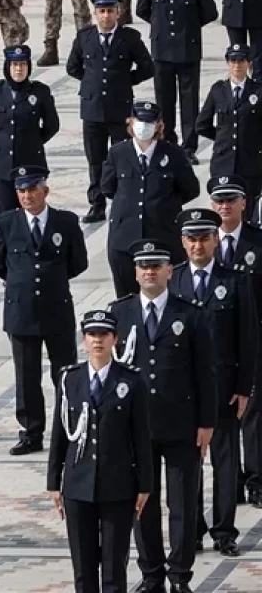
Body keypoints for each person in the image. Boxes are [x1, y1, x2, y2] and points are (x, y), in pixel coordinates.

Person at [108, 239, 215, 593]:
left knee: (183, 503)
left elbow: (205, 372)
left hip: (181, 423)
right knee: (144, 503)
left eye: (156, 266)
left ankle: (180, 575)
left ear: (171, 270)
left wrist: (207, 423)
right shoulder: (119, 314)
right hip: (137, 427)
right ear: (135, 272)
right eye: (143, 266)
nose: (149, 272)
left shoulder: (191, 314)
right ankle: (152, 573)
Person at [169, 209, 257, 558]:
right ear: (183, 242)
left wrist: (244, 387)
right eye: (192, 238)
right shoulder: (172, 280)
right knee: (189, 464)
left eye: (205, 237)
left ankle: (224, 530)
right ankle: (192, 529)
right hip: (184, 392)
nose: (198, 244)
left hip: (223, 388)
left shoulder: (234, 280)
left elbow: (248, 338)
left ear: (216, 240)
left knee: (224, 462)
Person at [46, 310, 152, 593]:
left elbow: (141, 437)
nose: (98, 341)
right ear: (83, 340)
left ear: (114, 339)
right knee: (83, 567)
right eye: (92, 335)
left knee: (114, 568)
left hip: (117, 485)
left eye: (104, 335)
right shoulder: (70, 379)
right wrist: (53, 480)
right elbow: (60, 433)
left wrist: (145, 485)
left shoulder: (130, 381)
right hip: (78, 484)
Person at [0, 165, 88, 455]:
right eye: (21, 191)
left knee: (65, 374)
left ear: (45, 190)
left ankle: (69, 428)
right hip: (21, 313)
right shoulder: (7, 223)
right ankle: (31, 432)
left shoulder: (65, 222)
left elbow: (78, 262)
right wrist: (21, 281)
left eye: (32, 189)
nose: (27, 196)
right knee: (26, 377)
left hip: (56, 309)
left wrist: (51, 279)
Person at [67, 0, 155, 224]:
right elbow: (72, 67)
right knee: (95, 160)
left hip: (119, 109)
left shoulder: (129, 38)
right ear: (95, 13)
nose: (106, 16)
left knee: (123, 158)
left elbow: (148, 67)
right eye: (101, 11)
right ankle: (96, 204)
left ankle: (123, 202)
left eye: (110, 11)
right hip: (93, 109)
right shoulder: (84, 37)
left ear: (119, 12)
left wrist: (126, 81)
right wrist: (90, 84)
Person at [101, 102, 200, 297]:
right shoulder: (118, 153)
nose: (144, 126)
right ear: (130, 122)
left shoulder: (173, 154)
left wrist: (164, 205)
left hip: (162, 238)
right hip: (125, 240)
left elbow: (190, 189)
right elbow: (108, 187)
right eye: (140, 121)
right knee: (127, 301)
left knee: (168, 298)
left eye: (150, 122)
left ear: (158, 125)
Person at [136, 0, 219, 162]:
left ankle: (189, 147)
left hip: (187, 49)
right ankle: (167, 142)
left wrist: (189, 27)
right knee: (164, 100)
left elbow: (210, 12)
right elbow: (142, 8)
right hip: (162, 50)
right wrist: (161, 26)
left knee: (189, 100)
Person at [211, 175, 262, 507]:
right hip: (215, 343)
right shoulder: (202, 241)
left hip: (254, 338)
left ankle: (256, 478)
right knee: (222, 412)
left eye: (231, 199)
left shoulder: (258, 242)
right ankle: (231, 480)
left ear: (245, 203)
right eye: (220, 201)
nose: (225, 206)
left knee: (255, 410)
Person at [0, 45, 60, 212]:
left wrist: (32, 141)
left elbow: (52, 125)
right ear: (8, 66)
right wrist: (7, 138)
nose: (19, 69)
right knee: (7, 216)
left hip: (31, 162)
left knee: (32, 213)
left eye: (23, 64)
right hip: (2, 165)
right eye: (14, 64)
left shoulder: (40, 92)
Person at [197, 44, 262, 219]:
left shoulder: (258, 91)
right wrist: (221, 139)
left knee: (248, 212)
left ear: (249, 63)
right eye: (233, 60)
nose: (237, 65)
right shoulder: (218, 90)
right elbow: (202, 124)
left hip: (250, 163)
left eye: (241, 60)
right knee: (223, 211)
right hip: (223, 162)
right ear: (227, 63)